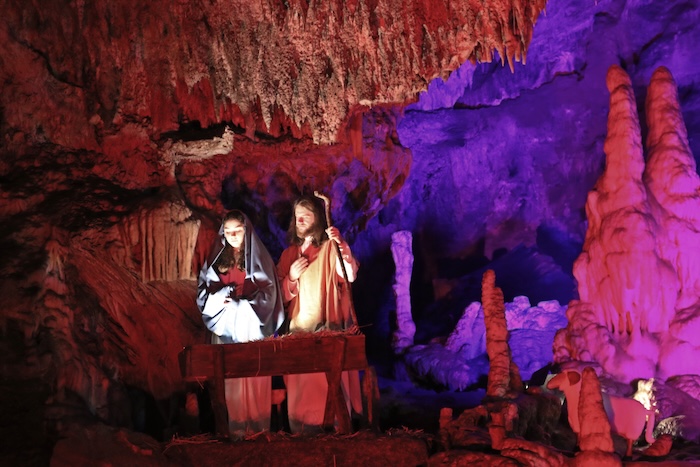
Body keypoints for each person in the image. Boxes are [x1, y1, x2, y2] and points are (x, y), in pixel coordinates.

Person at [276, 195, 362, 432]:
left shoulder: (329, 249)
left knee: (328, 387)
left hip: (328, 330)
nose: (301, 220)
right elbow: (277, 299)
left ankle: (335, 431)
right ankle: (302, 432)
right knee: (302, 390)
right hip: (298, 333)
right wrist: (291, 278)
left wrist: (341, 245)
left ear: (318, 219)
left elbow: (350, 274)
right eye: (297, 217)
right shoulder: (288, 256)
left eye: (307, 215)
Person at [196, 210, 284, 438]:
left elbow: (270, 293)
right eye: (228, 232)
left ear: (246, 231)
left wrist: (243, 305)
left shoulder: (259, 258)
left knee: (254, 379)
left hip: (251, 330)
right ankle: (236, 432)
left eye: (238, 230)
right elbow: (203, 296)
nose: (233, 235)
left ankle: (259, 430)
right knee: (232, 382)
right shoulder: (216, 260)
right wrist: (221, 297)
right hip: (226, 332)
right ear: (222, 233)